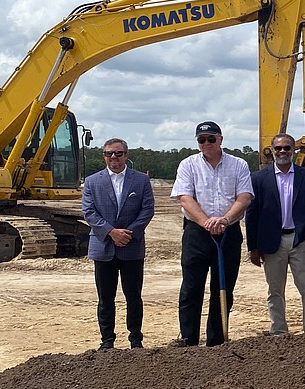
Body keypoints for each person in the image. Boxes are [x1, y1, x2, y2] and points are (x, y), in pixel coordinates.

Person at [171, 121, 253, 346]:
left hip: (228, 232)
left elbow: (244, 196)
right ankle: (188, 340)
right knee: (191, 288)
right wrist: (206, 222)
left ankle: (217, 340)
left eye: (211, 139)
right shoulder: (188, 164)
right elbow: (185, 197)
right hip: (197, 233)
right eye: (201, 140)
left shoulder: (238, 165)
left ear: (221, 139)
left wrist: (225, 219)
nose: (206, 143)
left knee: (223, 288)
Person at [245, 132, 305, 336]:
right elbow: (252, 215)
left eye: (287, 148)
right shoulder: (259, 178)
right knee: (275, 291)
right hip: (272, 243)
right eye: (278, 148)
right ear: (272, 151)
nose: (282, 152)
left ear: (293, 150)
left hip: (299, 241)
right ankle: (278, 331)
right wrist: (253, 247)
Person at [81, 138, 155, 350]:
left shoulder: (141, 181)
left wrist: (128, 234)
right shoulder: (92, 181)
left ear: (126, 155)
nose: (113, 157)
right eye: (109, 154)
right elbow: (89, 212)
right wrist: (111, 232)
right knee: (105, 298)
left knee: (133, 296)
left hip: (131, 247)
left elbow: (147, 210)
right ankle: (107, 341)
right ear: (104, 156)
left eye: (118, 153)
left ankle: (136, 339)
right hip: (104, 247)